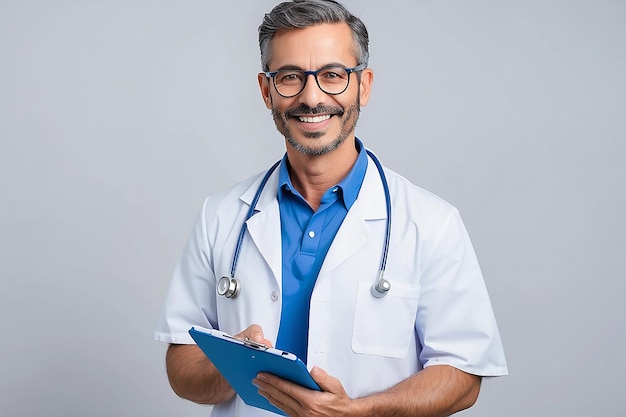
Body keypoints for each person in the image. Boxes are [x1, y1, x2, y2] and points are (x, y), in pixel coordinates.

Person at [154, 1, 508, 416]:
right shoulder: (220, 216)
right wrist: (235, 366)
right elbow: (181, 362)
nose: (312, 97)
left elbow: (463, 375)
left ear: (364, 85)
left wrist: (356, 413)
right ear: (267, 91)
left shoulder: (432, 223)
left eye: (332, 76)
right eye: (289, 77)